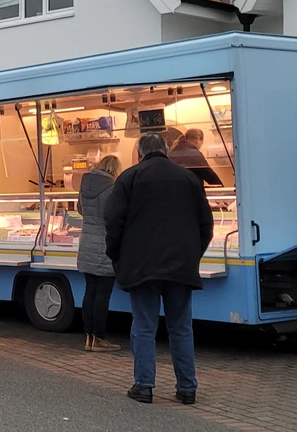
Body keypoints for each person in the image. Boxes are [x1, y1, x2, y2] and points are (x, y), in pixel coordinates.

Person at [105, 133, 214, 405]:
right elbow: (206, 226)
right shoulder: (189, 179)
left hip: (142, 267)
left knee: (143, 327)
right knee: (181, 328)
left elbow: (113, 223)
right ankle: (187, 388)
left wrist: (118, 258)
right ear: (166, 150)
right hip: (181, 267)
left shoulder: (128, 179)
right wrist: (192, 256)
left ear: (140, 152)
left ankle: (144, 386)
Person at [77, 155, 122, 353]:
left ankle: (89, 337)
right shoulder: (112, 189)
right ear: (114, 170)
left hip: (86, 243)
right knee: (103, 294)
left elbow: (80, 210)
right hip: (104, 244)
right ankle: (100, 338)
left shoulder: (85, 185)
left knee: (90, 292)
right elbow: (113, 216)